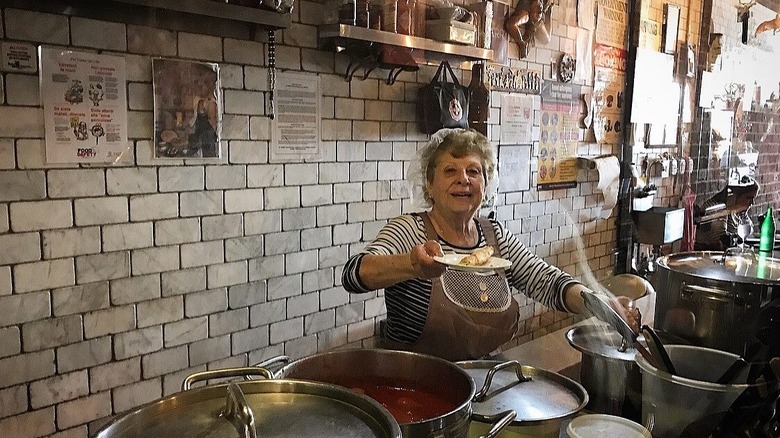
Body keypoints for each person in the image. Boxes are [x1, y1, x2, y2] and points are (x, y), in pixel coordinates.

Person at [341, 128, 640, 361]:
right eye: (449, 171)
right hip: (417, 386)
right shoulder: (410, 230)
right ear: (429, 185)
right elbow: (355, 274)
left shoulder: (494, 236)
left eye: (473, 171)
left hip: (484, 385)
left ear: (486, 184)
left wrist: (598, 303)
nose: (463, 180)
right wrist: (411, 264)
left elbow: (548, 282)